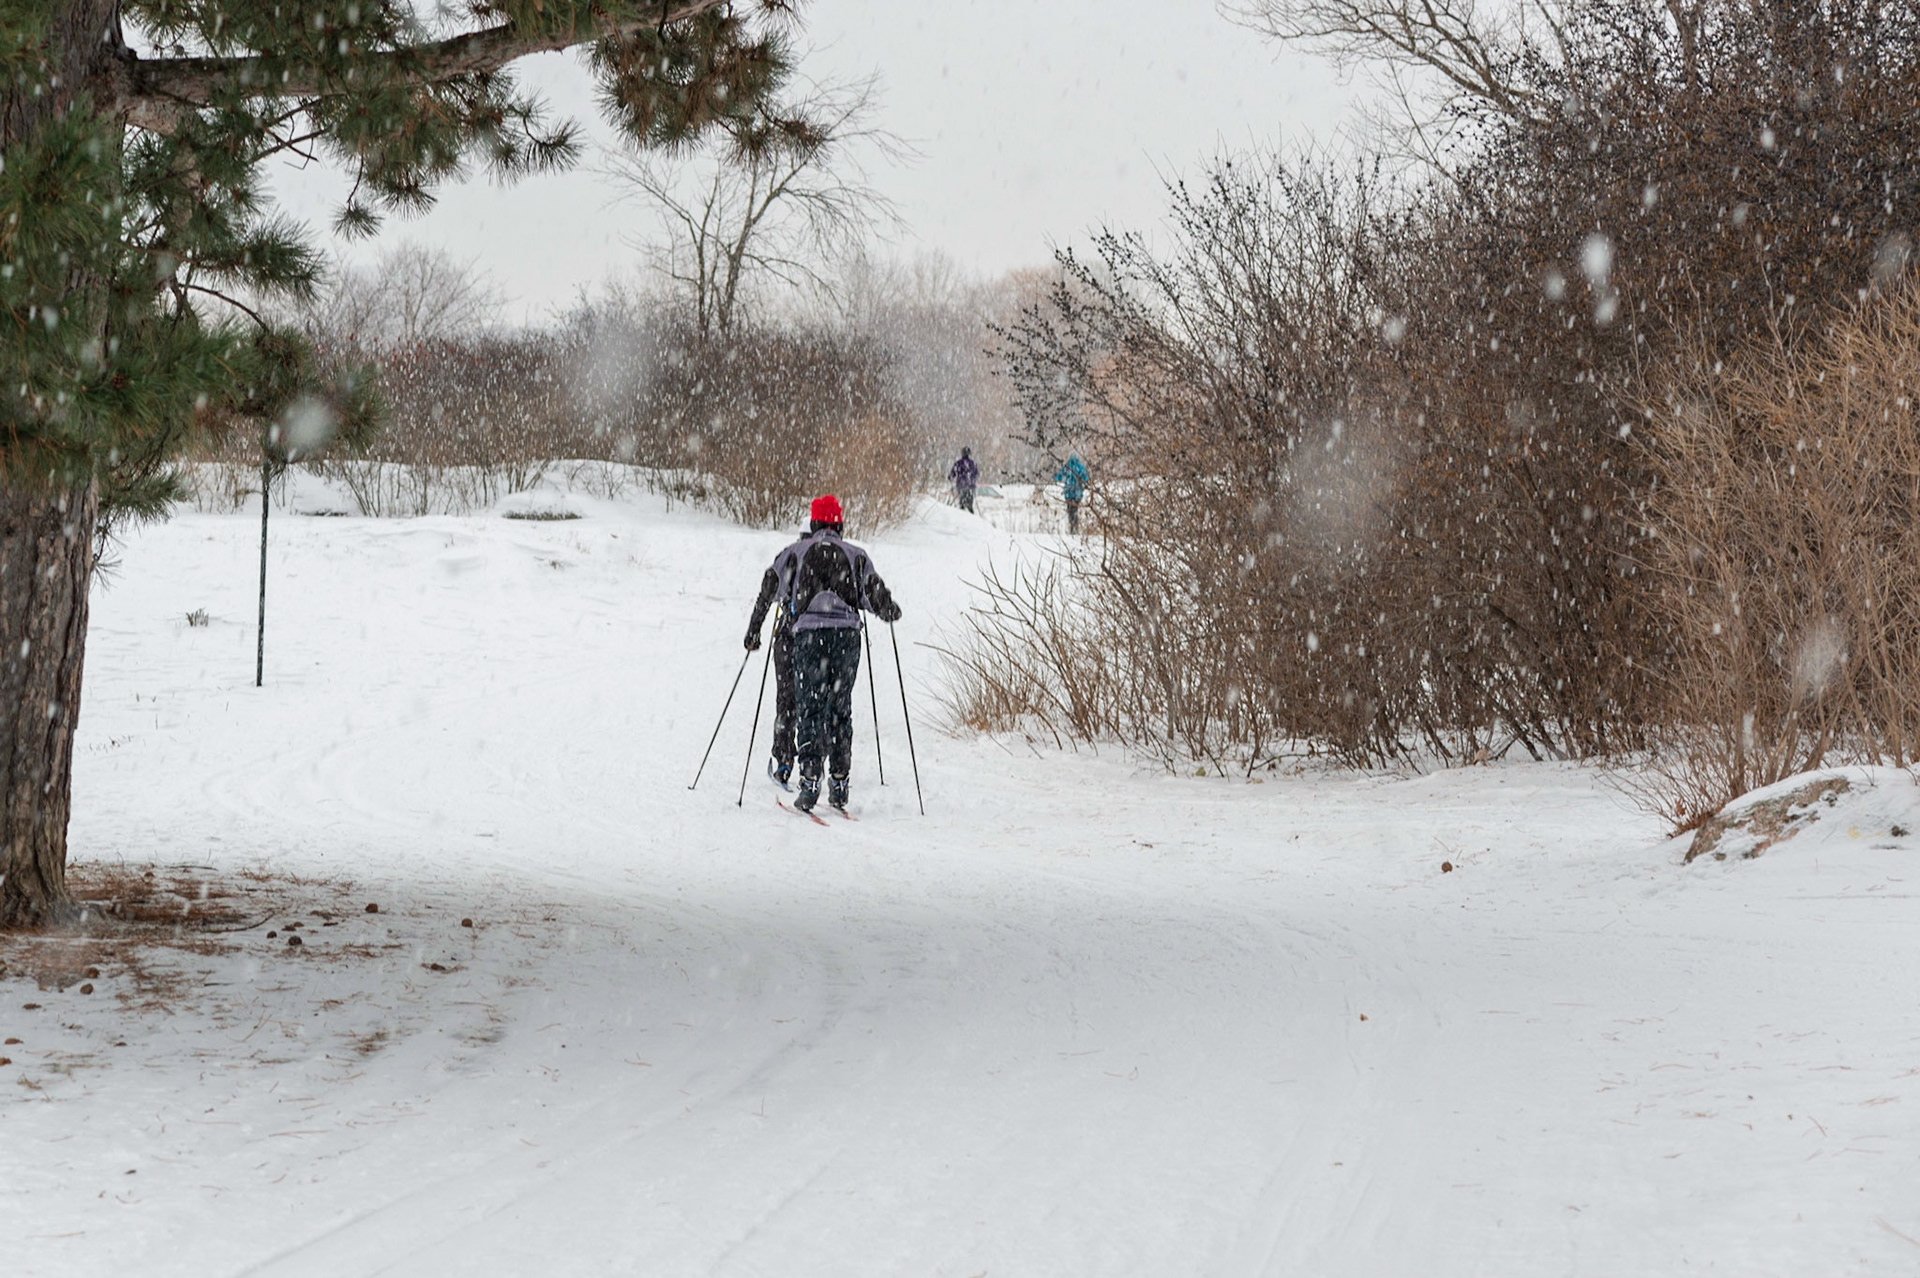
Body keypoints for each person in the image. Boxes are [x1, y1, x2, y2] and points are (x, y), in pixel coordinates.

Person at [787, 493, 901, 812]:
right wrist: (888, 609)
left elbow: (777, 585)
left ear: (813, 522)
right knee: (839, 708)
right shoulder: (856, 555)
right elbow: (875, 595)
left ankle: (810, 779)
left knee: (809, 706)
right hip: (846, 638)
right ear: (840, 524)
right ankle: (840, 781)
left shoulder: (798, 552)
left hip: (810, 637)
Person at [742, 525, 814, 787]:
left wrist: (753, 632)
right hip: (820, 640)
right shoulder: (833, 557)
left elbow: (765, 596)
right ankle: (815, 765)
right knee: (817, 701)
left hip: (788, 637)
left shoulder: (789, 556)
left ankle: (783, 763)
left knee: (787, 699)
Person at [1054, 453, 1089, 534]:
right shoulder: (1080, 467)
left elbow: (1059, 476)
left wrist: (1055, 478)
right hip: (1077, 493)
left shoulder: (1067, 467)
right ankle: (1075, 528)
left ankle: (1072, 527)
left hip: (1068, 493)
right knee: (1075, 510)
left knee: (1070, 511)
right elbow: (1085, 478)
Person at [948, 447, 979, 513]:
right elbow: (977, 474)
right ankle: (971, 516)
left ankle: (962, 515)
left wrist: (950, 477)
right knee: (970, 504)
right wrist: (972, 480)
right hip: (971, 486)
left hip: (961, 485)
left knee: (962, 503)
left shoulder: (958, 463)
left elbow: (952, 474)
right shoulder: (973, 464)